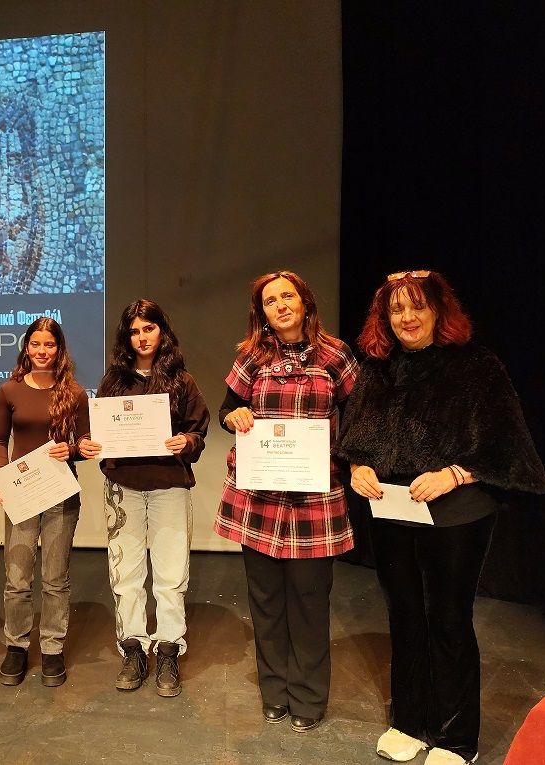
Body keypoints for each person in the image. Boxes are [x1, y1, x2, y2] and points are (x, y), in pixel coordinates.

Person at [335, 270, 545, 765]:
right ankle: (409, 722)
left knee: (449, 620)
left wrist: (453, 474)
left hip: (457, 513)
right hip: (392, 510)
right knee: (404, 616)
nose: (407, 318)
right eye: (396, 310)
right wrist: (359, 467)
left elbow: (506, 448)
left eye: (417, 307)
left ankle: (456, 739)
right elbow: (356, 440)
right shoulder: (377, 368)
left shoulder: (477, 367)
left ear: (438, 311)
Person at [214, 270, 359, 733]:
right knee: (266, 602)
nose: (280, 305)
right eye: (270, 301)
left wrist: (345, 460)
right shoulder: (251, 356)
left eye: (287, 296)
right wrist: (235, 415)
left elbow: (359, 420)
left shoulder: (335, 355)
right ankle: (274, 690)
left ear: (305, 301)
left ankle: (309, 697)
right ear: (262, 313)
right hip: (258, 498)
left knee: (310, 602)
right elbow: (226, 410)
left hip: (314, 499)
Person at [78, 300, 209, 697]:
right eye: (134, 331)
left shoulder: (182, 381)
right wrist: (88, 443)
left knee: (171, 575)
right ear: (127, 337)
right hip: (124, 488)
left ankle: (168, 649)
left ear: (161, 332)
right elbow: (95, 431)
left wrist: (186, 441)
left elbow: (198, 433)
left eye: (148, 328)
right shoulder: (113, 383)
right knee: (126, 575)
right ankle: (133, 648)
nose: (142, 337)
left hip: (170, 486)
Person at [0, 317, 90, 687]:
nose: (42, 351)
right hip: (21, 492)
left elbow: (86, 443)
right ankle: (16, 646)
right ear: (26, 347)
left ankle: (51, 648)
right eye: (36, 344)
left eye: (49, 344)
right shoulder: (9, 391)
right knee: (17, 578)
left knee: (54, 578)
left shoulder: (75, 393)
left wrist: (72, 450)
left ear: (58, 349)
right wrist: (2, 477)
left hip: (61, 494)